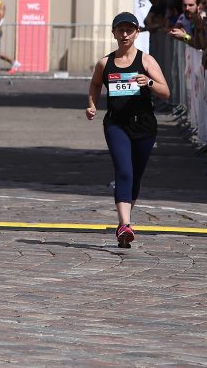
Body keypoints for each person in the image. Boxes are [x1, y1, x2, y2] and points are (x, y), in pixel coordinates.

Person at [86, 12, 170, 248]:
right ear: (113, 33)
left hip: (143, 125)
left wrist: (149, 83)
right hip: (116, 124)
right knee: (124, 171)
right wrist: (92, 105)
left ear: (136, 33)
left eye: (129, 30)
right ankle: (125, 224)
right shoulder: (105, 62)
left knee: (135, 175)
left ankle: (124, 224)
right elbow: (95, 84)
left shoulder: (146, 61)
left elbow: (166, 91)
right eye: (120, 30)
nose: (124, 35)